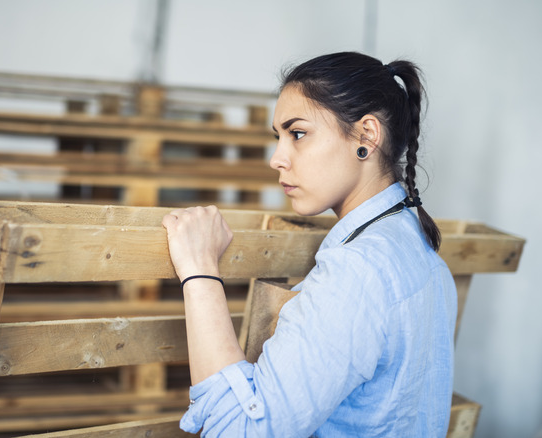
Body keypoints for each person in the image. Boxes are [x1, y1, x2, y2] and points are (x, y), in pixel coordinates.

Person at [161, 51, 457, 437]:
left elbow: (240, 431)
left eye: (297, 133)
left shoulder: (357, 272)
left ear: (366, 136)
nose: (277, 159)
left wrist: (199, 272)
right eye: (278, 137)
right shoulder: (418, 250)